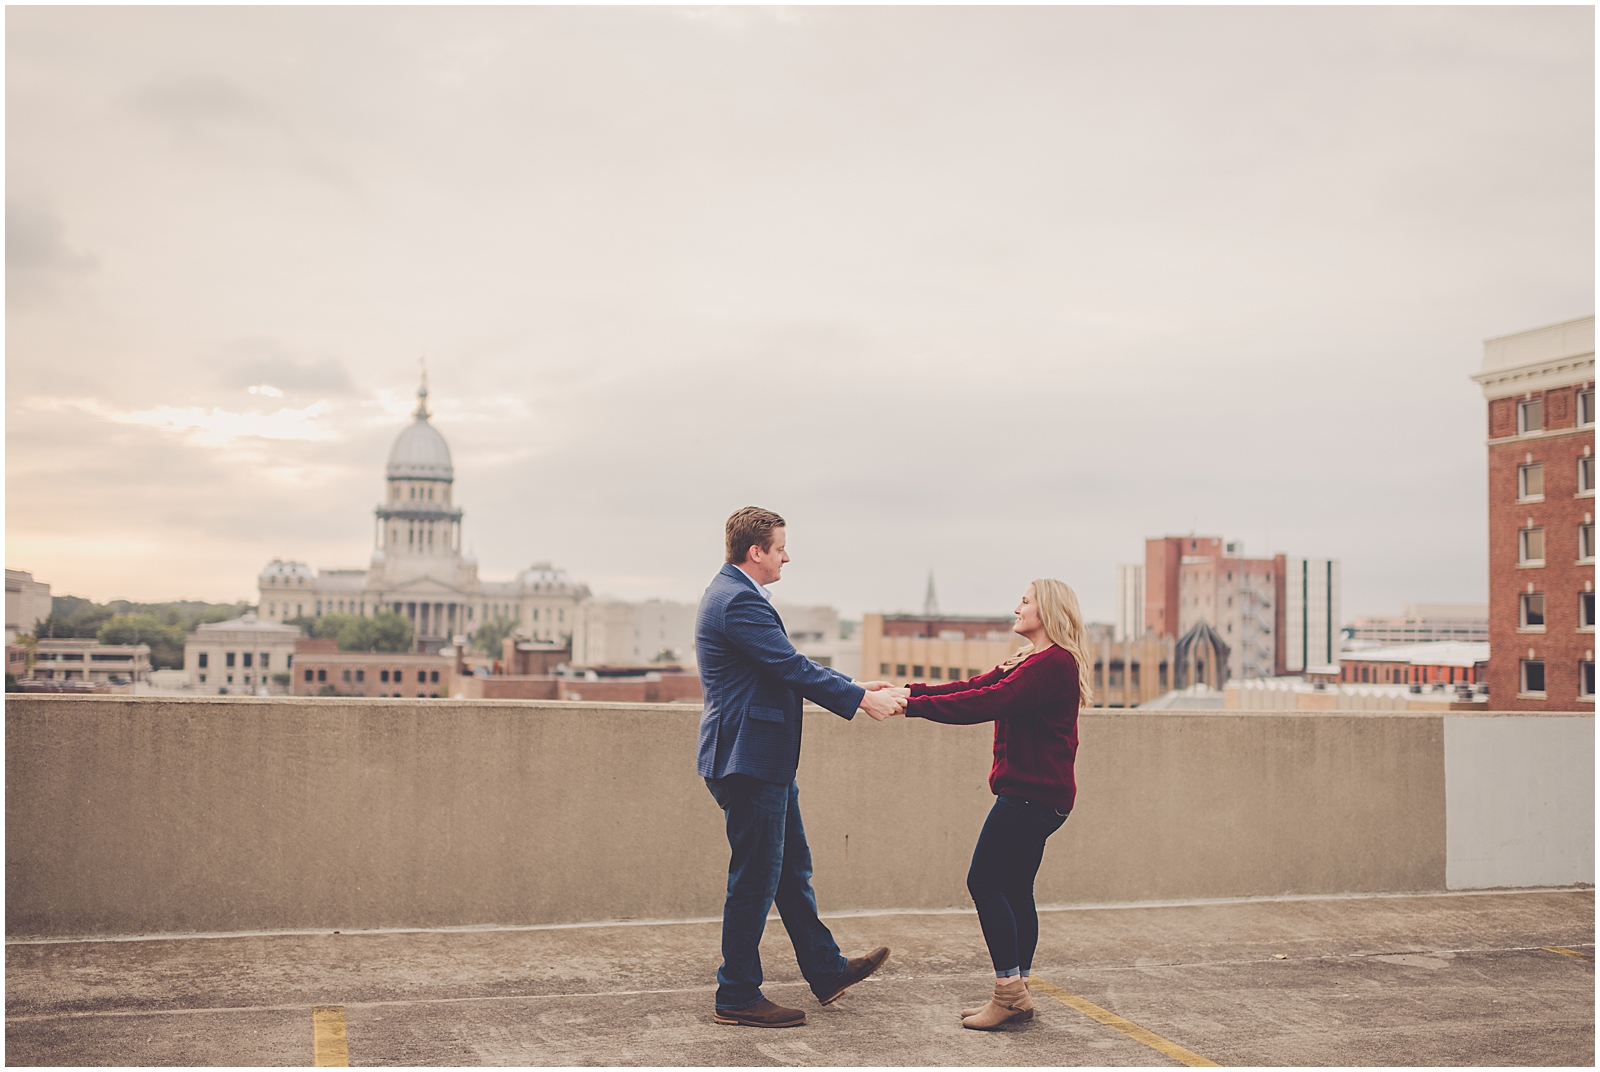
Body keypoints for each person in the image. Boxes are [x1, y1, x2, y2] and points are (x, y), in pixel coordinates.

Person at [696, 506, 906, 1028]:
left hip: (760, 759)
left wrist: (858, 685)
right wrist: (859, 700)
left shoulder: (735, 594)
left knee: (791, 872)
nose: (787, 555)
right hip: (748, 761)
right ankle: (737, 995)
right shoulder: (738, 600)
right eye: (780, 547)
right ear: (756, 552)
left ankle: (826, 969)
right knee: (755, 881)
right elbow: (790, 667)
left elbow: (785, 664)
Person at [900, 578, 1092, 1030]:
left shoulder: (1053, 664)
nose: (1016, 607)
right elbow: (972, 686)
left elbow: (988, 702)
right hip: (1041, 796)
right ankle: (1019, 991)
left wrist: (909, 707)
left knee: (984, 881)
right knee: (1013, 888)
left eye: (1025, 601)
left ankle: (1007, 994)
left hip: (1032, 796)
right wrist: (907, 694)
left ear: (1046, 610)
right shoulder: (1032, 660)